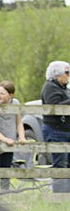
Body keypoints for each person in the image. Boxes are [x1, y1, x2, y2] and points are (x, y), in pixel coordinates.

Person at [0, 80, 27, 190]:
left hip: (10, 142)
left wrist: (22, 136)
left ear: (11, 95)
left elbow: (19, 121)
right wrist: (4, 139)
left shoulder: (15, 103)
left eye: (2, 93)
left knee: (6, 169)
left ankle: (5, 194)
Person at [40, 61, 70, 193]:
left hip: (65, 130)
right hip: (56, 130)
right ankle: (59, 196)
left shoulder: (64, 88)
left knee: (67, 164)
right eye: (67, 72)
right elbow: (55, 106)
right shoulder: (50, 87)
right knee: (59, 165)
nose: (68, 76)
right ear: (57, 74)